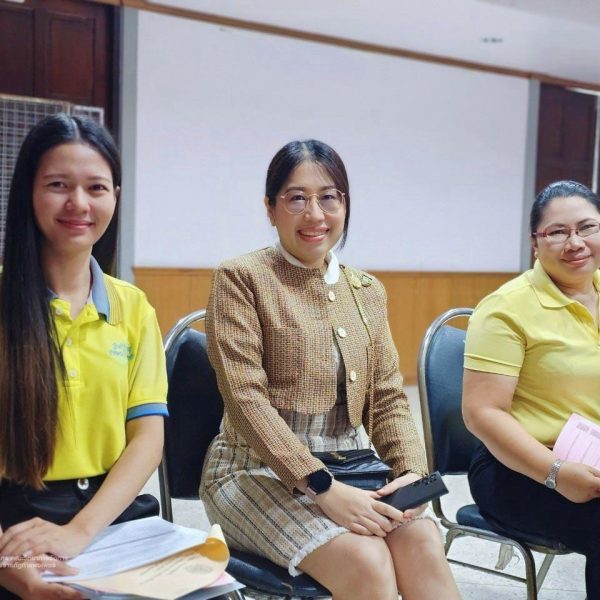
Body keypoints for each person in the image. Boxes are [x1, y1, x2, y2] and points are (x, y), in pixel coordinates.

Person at [200, 140, 461, 600]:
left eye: (329, 197)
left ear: (345, 205)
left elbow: (387, 398)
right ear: (270, 208)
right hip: (253, 471)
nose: (315, 214)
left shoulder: (367, 290)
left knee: (421, 540)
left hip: (353, 466)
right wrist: (321, 485)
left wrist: (411, 472)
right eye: (296, 198)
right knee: (367, 560)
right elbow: (245, 400)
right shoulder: (241, 278)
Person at [0, 114, 168, 599]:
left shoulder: (132, 307)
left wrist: (79, 532)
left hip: (108, 516)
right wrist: (6, 563)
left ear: (115, 195)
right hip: (15, 521)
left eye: (96, 187)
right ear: (28, 192)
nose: (78, 203)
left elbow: (146, 439)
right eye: (58, 185)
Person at [463, 180, 600, 600]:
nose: (575, 242)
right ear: (535, 243)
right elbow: (483, 413)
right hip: (521, 467)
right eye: (557, 232)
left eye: (587, 227)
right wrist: (556, 473)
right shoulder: (507, 308)